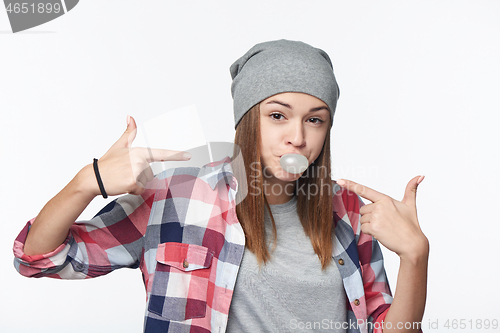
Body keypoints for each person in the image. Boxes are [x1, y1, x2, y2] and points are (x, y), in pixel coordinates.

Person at [13, 39, 429, 333]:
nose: (298, 138)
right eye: (278, 116)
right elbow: (39, 259)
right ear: (247, 120)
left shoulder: (351, 211)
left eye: (315, 119)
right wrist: (88, 182)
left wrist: (415, 257)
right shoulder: (176, 195)